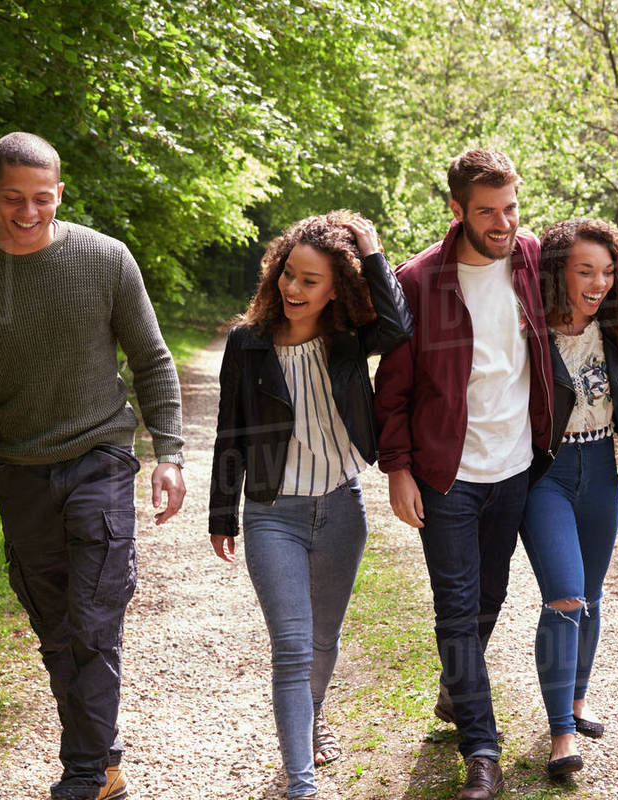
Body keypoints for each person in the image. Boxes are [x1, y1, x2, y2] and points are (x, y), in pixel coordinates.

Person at [0, 132, 185, 800]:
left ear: (60, 193)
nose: (29, 212)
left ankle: (85, 776)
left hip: (100, 458)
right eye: (14, 199)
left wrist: (171, 454)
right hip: (22, 471)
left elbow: (151, 359)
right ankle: (105, 761)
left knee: (94, 620)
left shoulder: (105, 259)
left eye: (43, 198)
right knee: (58, 628)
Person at [208, 211, 412, 799]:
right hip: (274, 512)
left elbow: (398, 328)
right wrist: (223, 513)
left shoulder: (349, 337)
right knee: (293, 646)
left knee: (324, 641)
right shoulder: (248, 343)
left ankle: (312, 715)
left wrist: (371, 254)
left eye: (311, 281)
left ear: (337, 288)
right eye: (288, 275)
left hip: (342, 506)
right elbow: (231, 430)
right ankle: (301, 784)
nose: (293, 290)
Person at [373, 148, 553, 800]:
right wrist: (398, 470)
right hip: (445, 472)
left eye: (511, 207)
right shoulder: (419, 281)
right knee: (456, 610)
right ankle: (483, 750)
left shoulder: (530, 258)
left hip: (514, 466)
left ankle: (457, 689)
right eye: (488, 212)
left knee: (490, 596)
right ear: (456, 210)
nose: (504, 223)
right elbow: (391, 390)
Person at [520, 218, 618, 778]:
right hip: (547, 474)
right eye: (585, 270)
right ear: (557, 271)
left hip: (602, 469)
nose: (597, 282)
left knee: (590, 595)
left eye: (609, 272)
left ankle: (577, 702)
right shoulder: (528, 328)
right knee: (563, 596)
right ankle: (561, 733)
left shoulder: (614, 329)